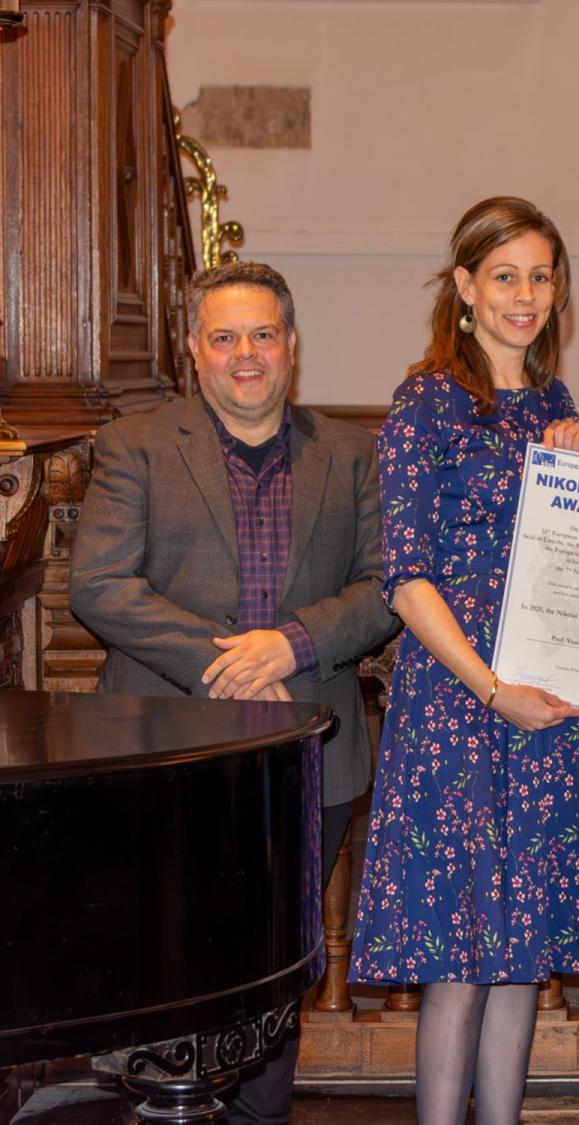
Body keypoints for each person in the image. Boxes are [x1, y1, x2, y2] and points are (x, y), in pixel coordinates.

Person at [70, 259, 399, 1124]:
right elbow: (99, 584)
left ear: (292, 345)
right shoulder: (135, 445)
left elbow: (381, 588)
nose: (245, 354)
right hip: (163, 751)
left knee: (277, 958)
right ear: (192, 349)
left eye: (263, 335)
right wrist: (229, 656)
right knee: (166, 955)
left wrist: (291, 642)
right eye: (224, 337)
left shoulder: (352, 454)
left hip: (307, 754)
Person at [348, 197, 579, 1125]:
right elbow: (406, 579)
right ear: (466, 287)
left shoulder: (555, 405)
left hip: (550, 693)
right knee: (460, 962)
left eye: (542, 276)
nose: (526, 295)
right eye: (505, 275)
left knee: (522, 949)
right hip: (460, 699)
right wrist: (492, 687)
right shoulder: (423, 401)